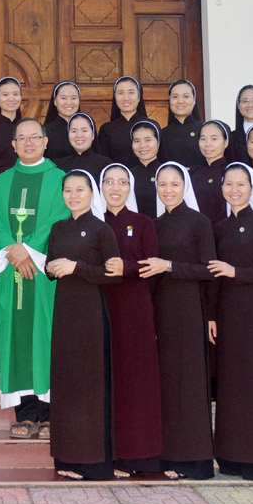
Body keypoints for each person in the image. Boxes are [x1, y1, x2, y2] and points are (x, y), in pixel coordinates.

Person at [0, 117, 67, 437]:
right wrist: (14, 252)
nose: (29, 142)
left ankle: (49, 414)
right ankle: (26, 414)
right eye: (22, 138)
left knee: (46, 337)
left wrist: (28, 250)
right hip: (11, 273)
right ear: (13, 145)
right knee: (16, 338)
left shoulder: (60, 180)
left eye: (35, 137)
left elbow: (60, 218)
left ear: (46, 142)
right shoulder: (2, 182)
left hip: (44, 275)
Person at [44, 171, 122, 480]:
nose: (73, 195)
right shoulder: (58, 228)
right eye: (68, 190)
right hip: (65, 313)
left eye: (80, 190)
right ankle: (67, 458)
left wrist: (77, 267)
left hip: (91, 314)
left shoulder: (102, 230)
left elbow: (112, 274)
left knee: (91, 385)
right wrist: (52, 268)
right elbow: (50, 266)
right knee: (66, 383)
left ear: (92, 194)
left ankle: (94, 461)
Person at [142, 161, 217, 480]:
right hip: (161, 311)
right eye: (162, 184)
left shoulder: (199, 222)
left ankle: (194, 460)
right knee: (166, 385)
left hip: (189, 310)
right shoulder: (154, 224)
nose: (168, 189)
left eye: (174, 183)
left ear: (185, 186)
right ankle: (168, 455)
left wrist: (170, 266)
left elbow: (209, 269)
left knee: (190, 384)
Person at [208, 162, 253, 481]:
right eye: (229, 184)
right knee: (230, 384)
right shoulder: (219, 228)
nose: (234, 190)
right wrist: (211, 315)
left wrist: (237, 272)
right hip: (227, 314)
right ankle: (231, 457)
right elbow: (213, 275)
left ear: (252, 189)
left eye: (241, 184)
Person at [98, 163, 164, 476]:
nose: (115, 187)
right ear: (100, 187)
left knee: (136, 382)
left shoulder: (142, 223)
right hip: (100, 309)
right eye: (109, 181)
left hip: (135, 311)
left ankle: (138, 454)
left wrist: (126, 268)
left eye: (122, 182)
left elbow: (153, 266)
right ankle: (104, 454)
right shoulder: (93, 222)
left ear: (130, 187)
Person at [97, 76, 149, 160]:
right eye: (120, 93)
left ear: (139, 97)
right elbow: (103, 162)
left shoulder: (151, 126)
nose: (126, 98)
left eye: (131, 92)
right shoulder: (106, 129)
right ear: (115, 97)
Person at [126, 120, 167, 218]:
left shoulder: (168, 173)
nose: (142, 146)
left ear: (158, 142)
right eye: (137, 141)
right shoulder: (128, 175)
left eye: (148, 140)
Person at [192, 120, 231, 219]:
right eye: (203, 139)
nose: (207, 144)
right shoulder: (194, 173)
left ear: (226, 142)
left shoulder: (231, 173)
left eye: (214, 139)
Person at [162, 79, 203, 170]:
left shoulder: (204, 130)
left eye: (186, 96)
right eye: (175, 97)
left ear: (194, 100)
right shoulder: (162, 134)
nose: (180, 101)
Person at [64, 112, 110, 183]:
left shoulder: (105, 164)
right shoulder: (59, 166)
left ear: (93, 135)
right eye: (74, 131)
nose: (79, 135)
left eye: (84, 130)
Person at [43, 81, 81, 162]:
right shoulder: (45, 131)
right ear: (55, 102)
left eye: (73, 98)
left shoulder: (87, 129)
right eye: (64, 98)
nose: (69, 102)